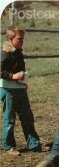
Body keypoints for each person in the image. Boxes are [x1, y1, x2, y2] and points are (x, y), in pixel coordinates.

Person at [0, 26, 44, 155]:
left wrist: (23, 82)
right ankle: (8, 145)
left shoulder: (17, 52)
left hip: (19, 88)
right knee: (10, 118)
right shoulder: (4, 53)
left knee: (27, 117)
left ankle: (34, 144)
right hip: (9, 89)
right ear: (11, 38)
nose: (22, 41)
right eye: (19, 39)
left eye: (23, 39)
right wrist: (12, 76)